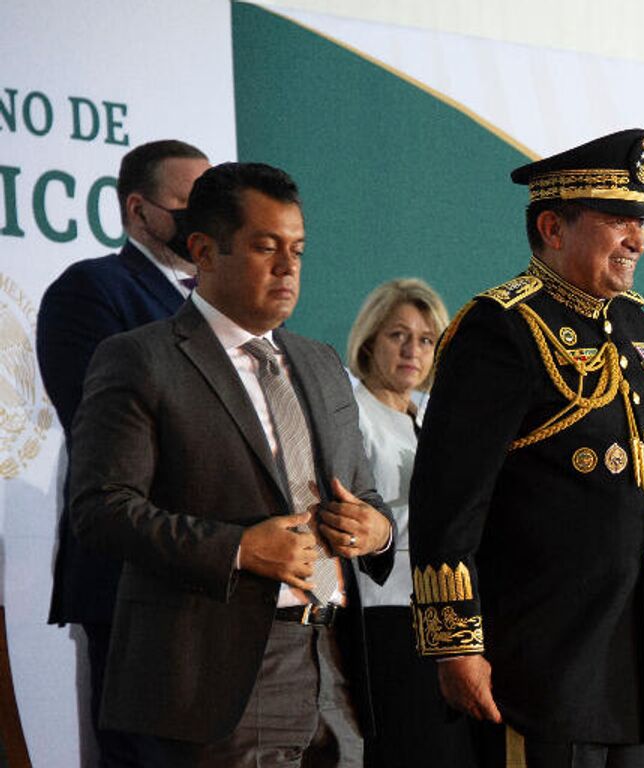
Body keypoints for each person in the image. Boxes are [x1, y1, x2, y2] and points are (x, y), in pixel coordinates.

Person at [67, 161, 396, 766]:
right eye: (265, 247)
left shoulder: (321, 363)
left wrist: (376, 531)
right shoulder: (140, 359)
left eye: (297, 249)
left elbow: (368, 501)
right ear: (204, 252)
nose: (288, 266)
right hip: (214, 674)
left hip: (334, 665)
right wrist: (241, 549)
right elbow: (101, 510)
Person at [408, 129, 644, 768]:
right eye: (617, 221)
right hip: (537, 670)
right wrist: (455, 646)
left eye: (639, 222)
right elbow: (448, 502)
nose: (636, 239)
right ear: (553, 228)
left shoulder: (635, 322)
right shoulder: (501, 327)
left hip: (630, 671)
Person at [38, 138, 208, 768]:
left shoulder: (223, 304)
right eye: (190, 204)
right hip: (132, 576)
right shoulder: (93, 290)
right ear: (138, 211)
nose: (207, 220)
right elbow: (102, 430)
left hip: (217, 580)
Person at [342, 278, 476, 767]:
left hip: (441, 611)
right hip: (384, 613)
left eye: (425, 340)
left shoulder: (431, 415)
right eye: (398, 335)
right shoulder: (352, 410)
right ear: (371, 339)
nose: (411, 350)